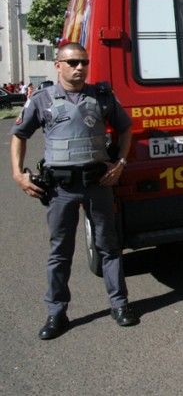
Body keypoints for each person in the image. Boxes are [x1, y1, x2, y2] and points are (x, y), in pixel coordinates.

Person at [10, 42, 139, 340]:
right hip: (61, 189)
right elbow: (19, 135)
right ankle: (57, 312)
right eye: (72, 62)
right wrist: (18, 175)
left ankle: (119, 305)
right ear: (58, 66)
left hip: (98, 185)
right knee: (60, 252)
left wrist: (120, 163)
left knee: (109, 247)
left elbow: (126, 129)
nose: (79, 67)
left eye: (83, 62)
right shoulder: (42, 99)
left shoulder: (102, 97)